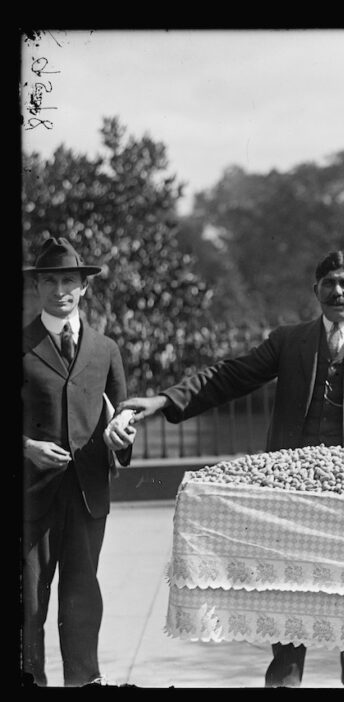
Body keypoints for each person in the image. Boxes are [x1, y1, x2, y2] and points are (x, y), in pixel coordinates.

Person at [119, 250, 344, 687]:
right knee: (284, 607)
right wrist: (164, 400)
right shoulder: (290, 341)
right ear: (315, 290)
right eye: (329, 283)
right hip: (290, 495)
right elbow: (229, 376)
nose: (338, 292)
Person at [22, 238, 138, 687]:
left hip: (88, 491)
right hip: (30, 494)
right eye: (49, 280)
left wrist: (120, 435)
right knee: (28, 599)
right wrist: (25, 446)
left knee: (82, 594)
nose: (59, 290)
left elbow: (122, 411)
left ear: (84, 287)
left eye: (69, 280)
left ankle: (83, 681)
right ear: (36, 287)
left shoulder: (105, 348)